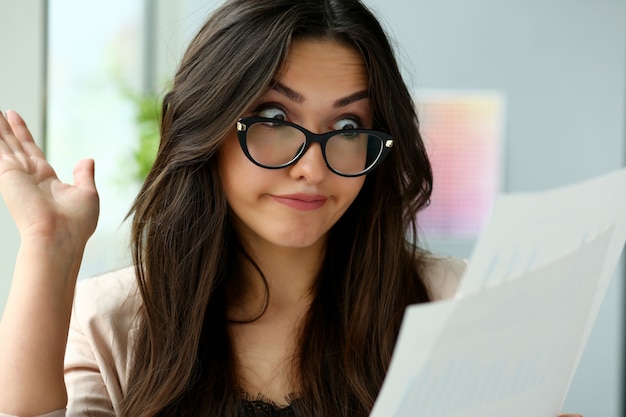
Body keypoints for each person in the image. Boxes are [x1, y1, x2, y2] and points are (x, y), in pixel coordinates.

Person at [0, 0, 583, 416]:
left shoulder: (454, 303)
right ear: (208, 128)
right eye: (276, 120)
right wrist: (48, 245)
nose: (314, 166)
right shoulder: (116, 321)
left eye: (349, 125)